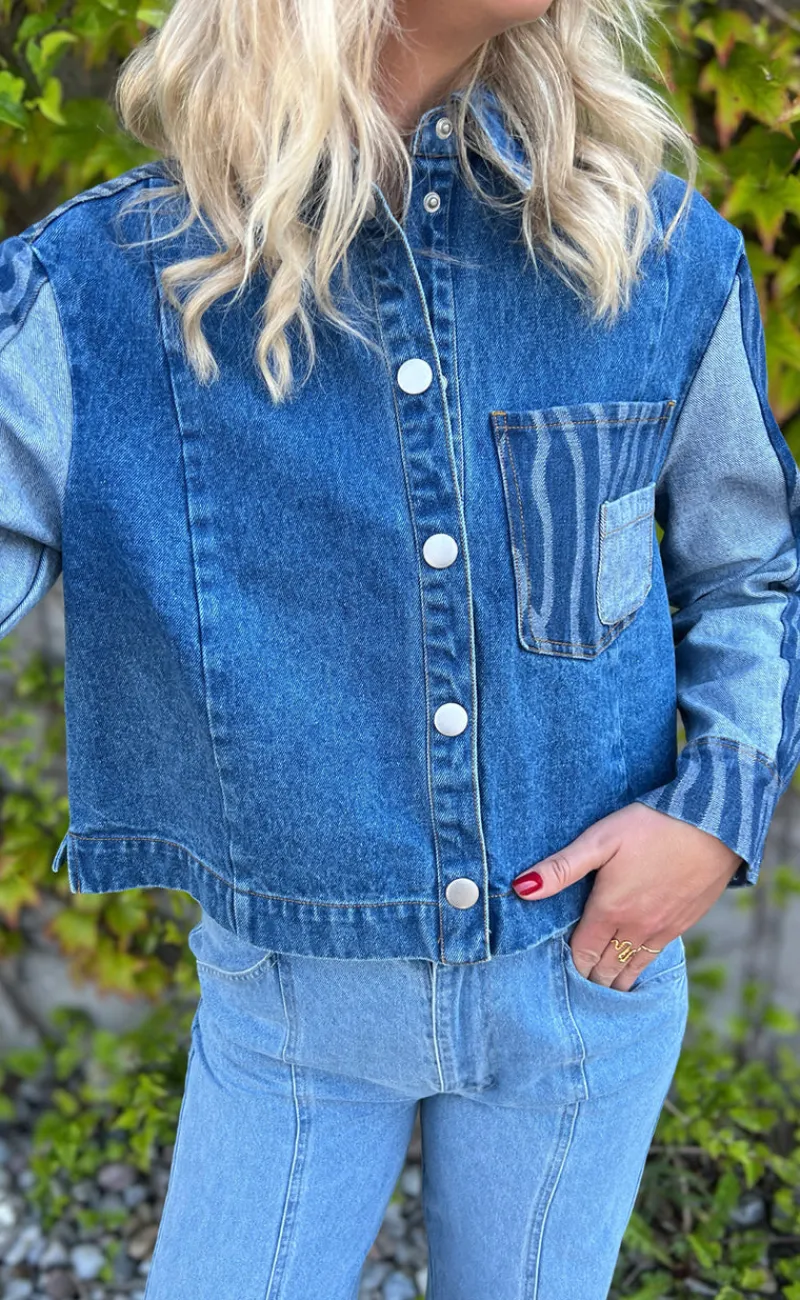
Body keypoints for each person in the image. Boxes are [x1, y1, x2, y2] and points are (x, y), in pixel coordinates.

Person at [2, 0, 799, 1296]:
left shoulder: (650, 251)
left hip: (583, 983)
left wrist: (712, 815)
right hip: (293, 1010)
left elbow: (748, 566)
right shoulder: (101, 290)